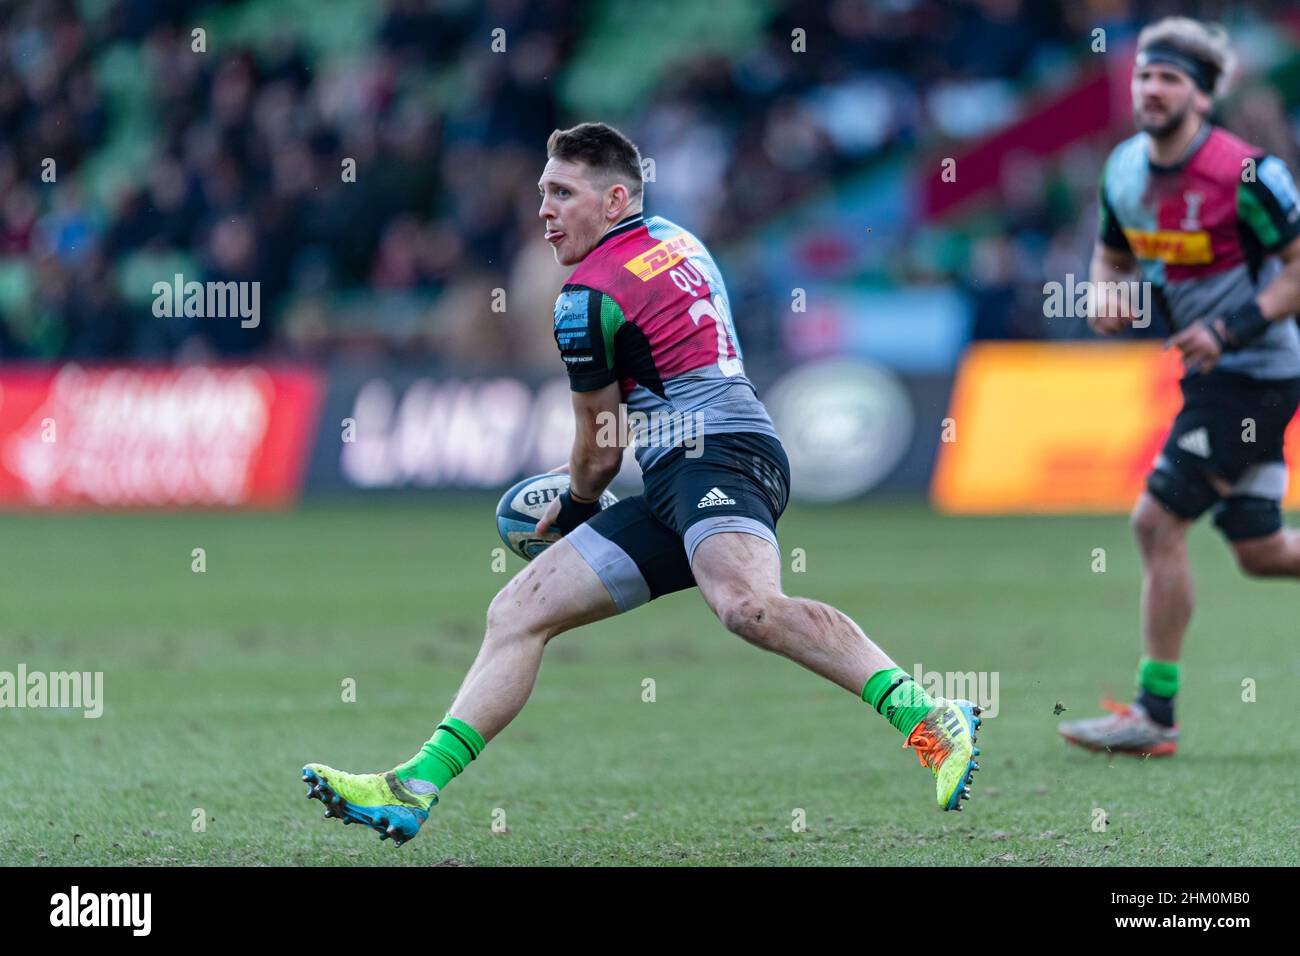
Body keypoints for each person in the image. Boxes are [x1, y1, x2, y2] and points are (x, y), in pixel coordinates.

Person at [301, 123, 983, 846]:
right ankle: (414, 787)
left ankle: (929, 717)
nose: (545, 211)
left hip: (717, 455)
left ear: (616, 198)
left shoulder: (584, 297)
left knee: (748, 607)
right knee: (519, 611)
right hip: (685, 470)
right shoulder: (679, 240)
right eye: (542, 194)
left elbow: (598, 446)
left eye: (563, 193)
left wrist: (574, 506)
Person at [1060, 17, 1300, 756]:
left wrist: (1228, 330)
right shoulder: (1124, 170)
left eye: (1169, 79)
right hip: (1209, 376)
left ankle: (1153, 715)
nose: (1152, 90)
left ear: (1201, 95)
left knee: (1154, 523)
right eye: (1144, 77)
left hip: (1255, 375)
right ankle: (1152, 717)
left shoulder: (1249, 174)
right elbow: (1111, 257)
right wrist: (1104, 293)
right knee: (1261, 551)